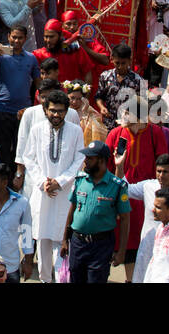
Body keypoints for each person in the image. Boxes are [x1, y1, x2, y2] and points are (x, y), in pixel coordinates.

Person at [18, 90, 85, 282]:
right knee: (43, 240)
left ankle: (62, 279)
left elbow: (79, 159)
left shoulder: (75, 131)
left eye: (61, 111)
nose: (56, 115)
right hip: (42, 193)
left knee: (62, 240)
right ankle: (46, 279)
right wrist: (43, 182)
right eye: (53, 111)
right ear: (45, 110)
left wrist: (60, 181)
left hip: (65, 194)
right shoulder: (37, 129)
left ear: (67, 111)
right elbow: (29, 158)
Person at [60, 141, 131, 284]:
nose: (85, 161)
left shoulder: (117, 186)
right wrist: (64, 240)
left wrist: (121, 251)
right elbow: (72, 209)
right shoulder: (80, 180)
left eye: (89, 158)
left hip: (101, 245)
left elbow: (124, 219)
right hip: (78, 243)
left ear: (101, 160)